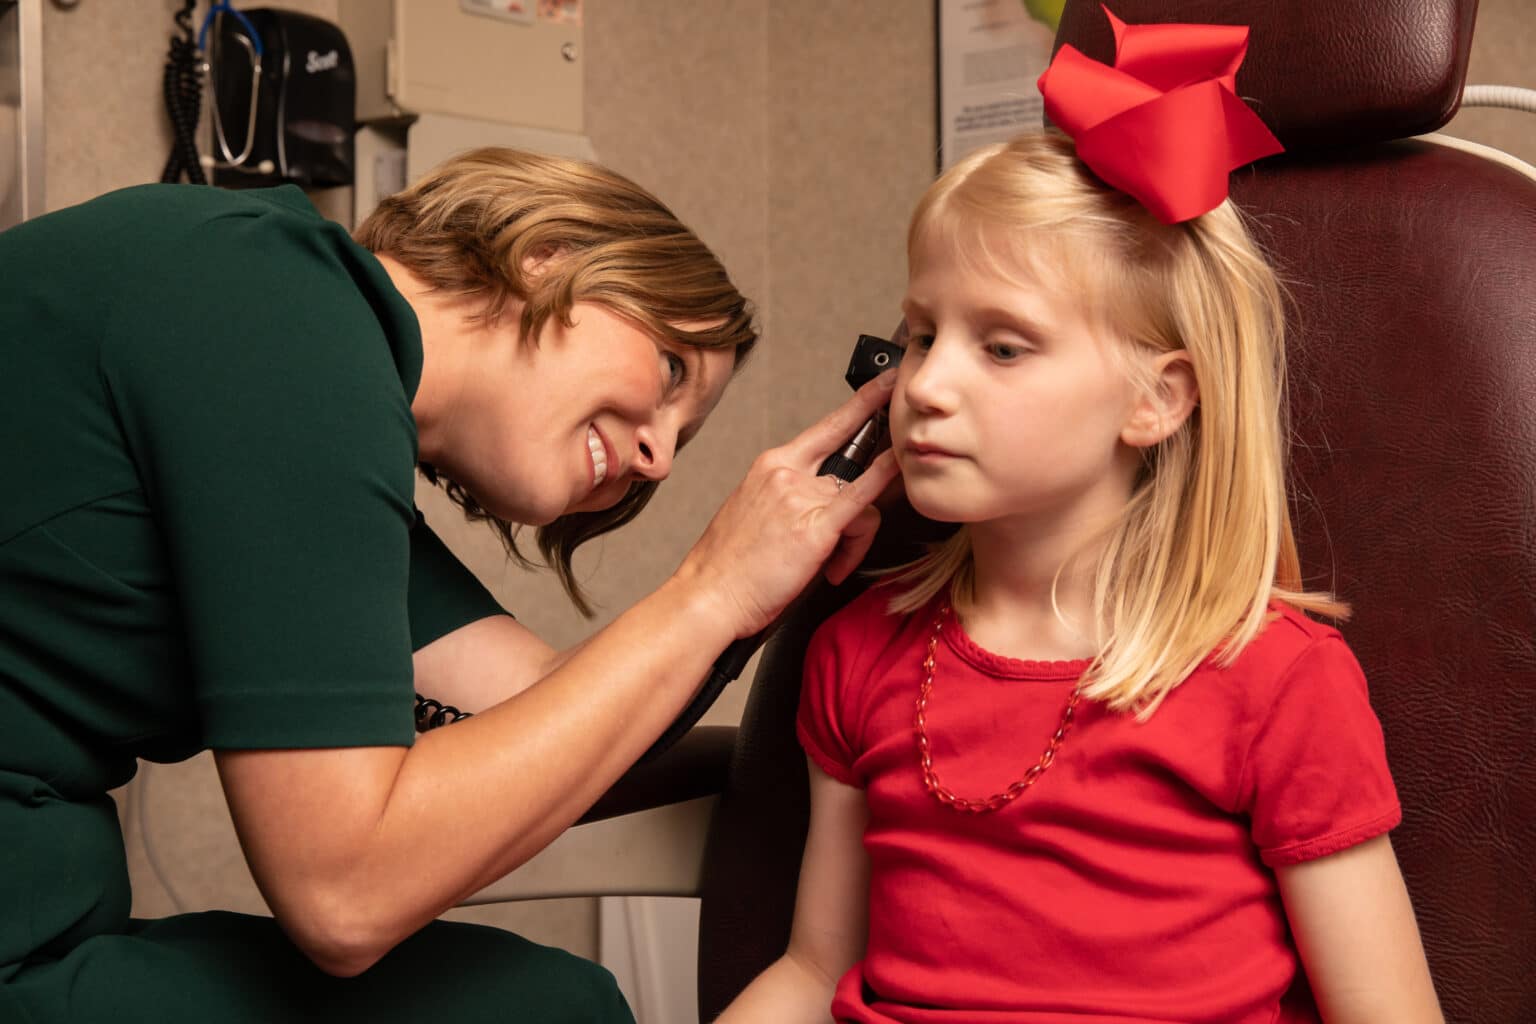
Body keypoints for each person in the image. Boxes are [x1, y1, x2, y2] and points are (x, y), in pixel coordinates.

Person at [0, 146, 897, 1023]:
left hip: (44, 935)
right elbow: (343, 894)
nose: (659, 457)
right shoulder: (280, 320)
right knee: (556, 1010)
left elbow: (545, 708)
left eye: (683, 438)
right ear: (550, 255)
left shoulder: (302, 365)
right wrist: (710, 589)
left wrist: (786, 620)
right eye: (671, 371)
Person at [718, 13, 1444, 1024]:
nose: (925, 385)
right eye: (920, 335)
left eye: (1002, 347)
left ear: (1157, 400)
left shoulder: (1277, 683)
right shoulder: (859, 654)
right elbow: (812, 969)